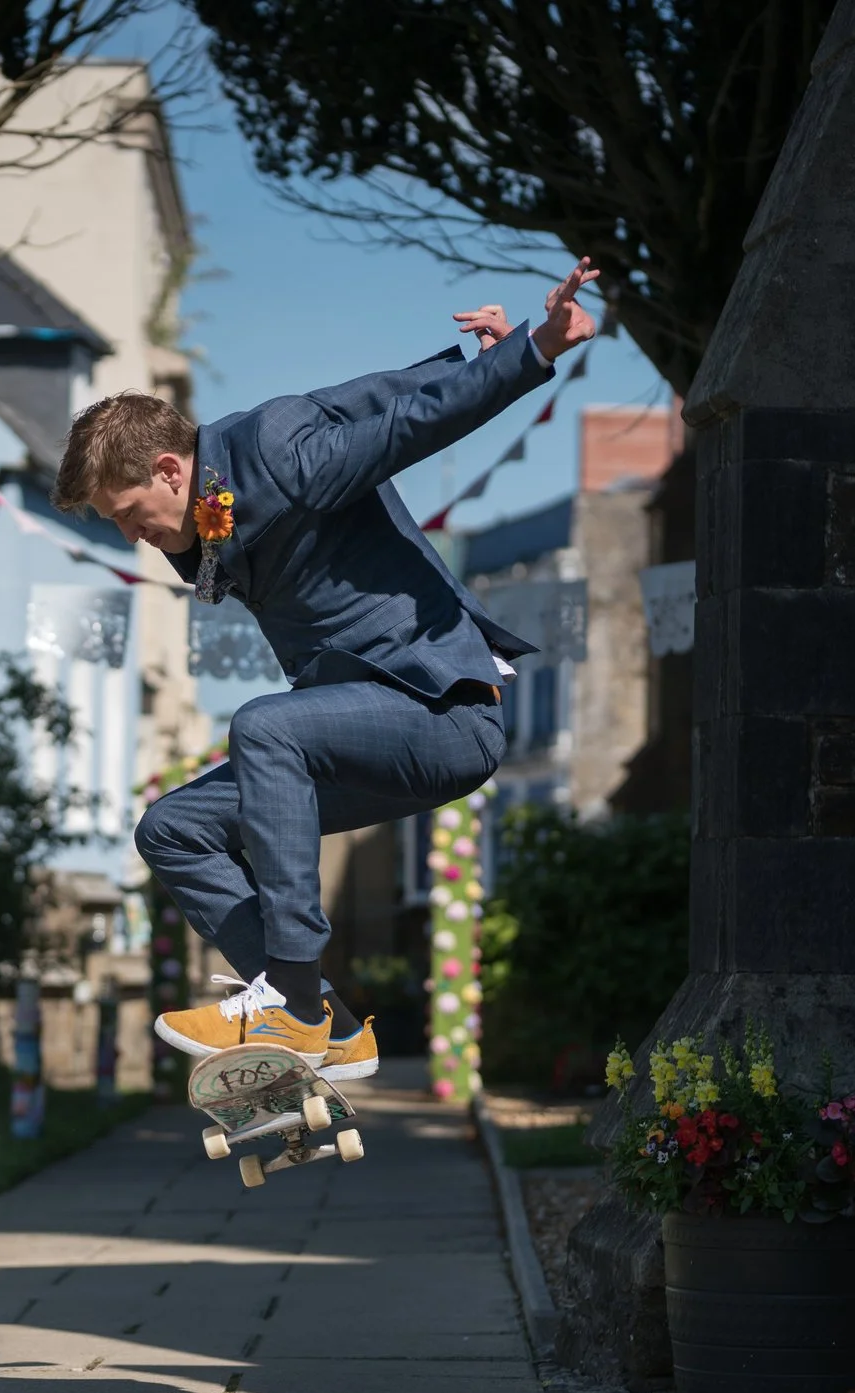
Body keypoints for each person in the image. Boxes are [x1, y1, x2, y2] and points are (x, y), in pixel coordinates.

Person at [54, 261, 602, 1074]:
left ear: (171, 469)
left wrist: (533, 349)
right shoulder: (213, 497)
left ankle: (292, 1000)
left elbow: (406, 427)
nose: (135, 536)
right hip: (360, 736)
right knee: (172, 829)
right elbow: (366, 394)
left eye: (131, 516)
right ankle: (334, 1030)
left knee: (263, 726)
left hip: (439, 712)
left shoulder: (276, 454)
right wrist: (473, 354)